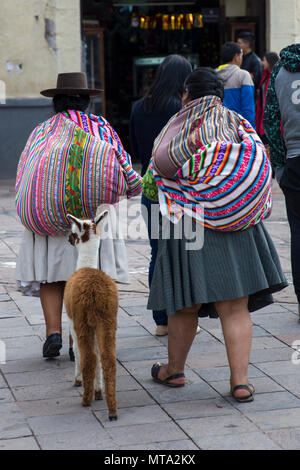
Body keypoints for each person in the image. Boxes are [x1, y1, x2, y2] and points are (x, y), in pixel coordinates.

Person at [147, 68, 287, 401]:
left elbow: (159, 167)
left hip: (189, 225)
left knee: (184, 307)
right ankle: (240, 382)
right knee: (235, 308)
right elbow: (258, 163)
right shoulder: (238, 124)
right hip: (236, 223)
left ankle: (174, 371)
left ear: (186, 94)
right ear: (220, 95)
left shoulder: (179, 127)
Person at [15, 72, 141, 358]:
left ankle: (53, 333)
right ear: (85, 101)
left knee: (51, 276)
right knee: (84, 276)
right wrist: (134, 187)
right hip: (89, 220)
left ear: (56, 102)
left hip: (47, 218)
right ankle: (76, 341)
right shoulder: (101, 127)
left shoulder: (42, 130)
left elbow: (25, 170)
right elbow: (123, 165)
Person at [130, 55, 193, 336]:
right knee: (183, 252)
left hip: (150, 189)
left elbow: (135, 149)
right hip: (179, 191)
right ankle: (183, 316)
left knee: (157, 252)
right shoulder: (181, 110)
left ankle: (161, 321)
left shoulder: (138, 108)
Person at [263, 43, 300, 319]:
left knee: (298, 234)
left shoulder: (279, 70)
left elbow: (270, 120)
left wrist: (278, 165)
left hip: (294, 161)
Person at [217, 41, 255, 128]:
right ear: (236, 57)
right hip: (238, 128)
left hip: (218, 128)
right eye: (241, 55)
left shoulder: (213, 75)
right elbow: (248, 108)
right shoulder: (243, 75)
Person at [256, 52, 279, 141]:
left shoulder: (276, 76)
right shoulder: (265, 76)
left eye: (264, 60)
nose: (262, 62)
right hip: (263, 115)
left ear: (270, 61)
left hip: (273, 119)